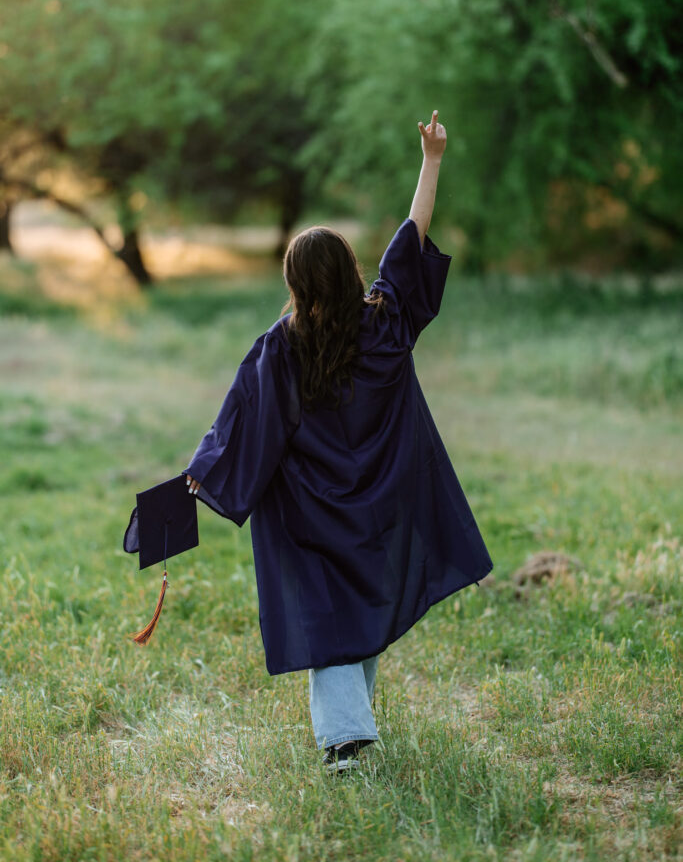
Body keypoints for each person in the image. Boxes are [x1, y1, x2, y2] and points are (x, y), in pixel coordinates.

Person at [183, 110, 494, 774]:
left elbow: (244, 425)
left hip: (312, 512)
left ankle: (345, 739)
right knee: (359, 609)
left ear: (295, 283)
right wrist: (431, 160)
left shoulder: (281, 348)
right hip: (380, 504)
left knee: (331, 615)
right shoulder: (384, 326)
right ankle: (348, 732)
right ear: (350, 272)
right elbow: (412, 239)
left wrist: (202, 474)